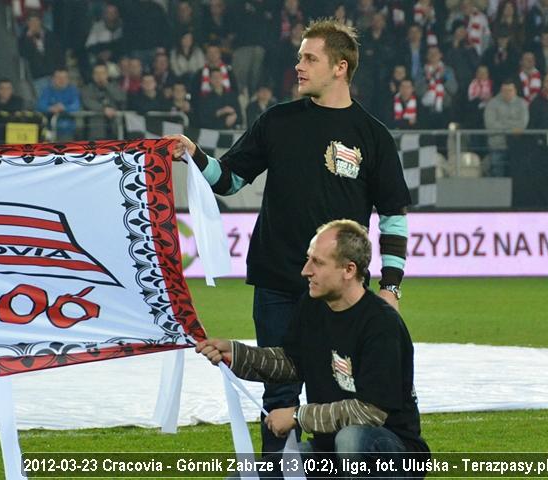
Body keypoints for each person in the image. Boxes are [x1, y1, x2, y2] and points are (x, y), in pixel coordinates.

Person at [168, 18, 411, 454]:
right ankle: (278, 468)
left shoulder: (372, 135)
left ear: (340, 67)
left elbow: (394, 216)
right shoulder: (277, 121)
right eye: (299, 56)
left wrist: (391, 288)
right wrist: (195, 155)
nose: (298, 65)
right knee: (278, 391)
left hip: (339, 292)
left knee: (340, 393)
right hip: (278, 281)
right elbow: (230, 181)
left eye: (309, 58)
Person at [197, 219, 430, 478]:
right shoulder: (312, 305)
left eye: (317, 262)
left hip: (395, 453)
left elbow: (370, 412)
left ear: (349, 270)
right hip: (327, 453)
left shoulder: (382, 324)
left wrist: (298, 416)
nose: (305, 271)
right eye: (309, 260)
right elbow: (292, 363)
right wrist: (236, 355)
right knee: (242, 478)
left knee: (351, 440)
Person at [484, 78, 529, 177]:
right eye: (504, 91)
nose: (507, 93)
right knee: (497, 176)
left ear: (515, 91)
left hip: (517, 146)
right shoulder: (492, 104)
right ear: (501, 91)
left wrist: (502, 124)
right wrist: (512, 127)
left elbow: (523, 124)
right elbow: (490, 125)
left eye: (510, 90)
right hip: (497, 145)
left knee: (518, 177)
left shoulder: (522, 103)